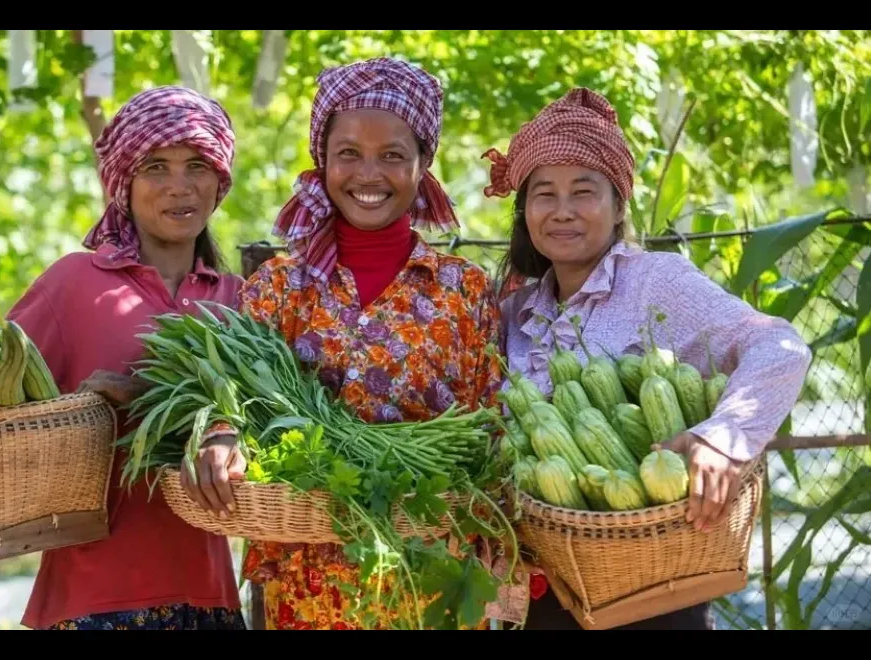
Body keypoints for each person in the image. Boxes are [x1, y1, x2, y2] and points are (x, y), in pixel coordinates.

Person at [0, 86, 248, 631]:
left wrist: (155, 402)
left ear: (219, 180)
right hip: (91, 598)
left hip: (212, 600)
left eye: (197, 165)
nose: (179, 186)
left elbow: (271, 428)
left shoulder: (241, 300)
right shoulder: (73, 285)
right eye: (155, 166)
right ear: (124, 184)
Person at [178, 57, 513, 630]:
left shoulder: (465, 291)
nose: (369, 174)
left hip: (430, 575)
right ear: (323, 160)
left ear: (423, 163)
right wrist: (220, 434)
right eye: (349, 154)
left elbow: (493, 429)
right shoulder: (279, 287)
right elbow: (234, 398)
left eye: (392, 155)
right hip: (308, 580)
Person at [481, 87, 813, 630]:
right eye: (544, 194)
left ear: (618, 207)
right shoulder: (515, 312)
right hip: (544, 592)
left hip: (654, 590)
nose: (562, 211)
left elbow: (780, 346)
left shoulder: (656, 282)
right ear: (525, 211)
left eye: (583, 191)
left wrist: (725, 436)